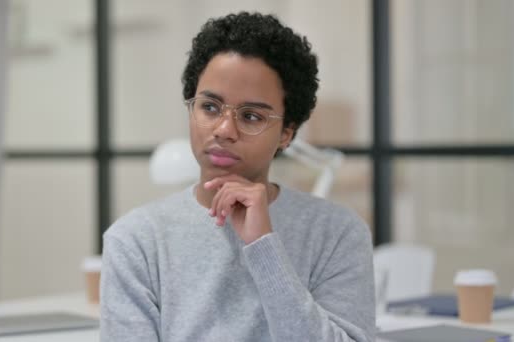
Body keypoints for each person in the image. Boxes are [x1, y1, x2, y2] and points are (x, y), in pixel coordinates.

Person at [100, 12, 375, 342]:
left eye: (250, 116)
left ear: (287, 134)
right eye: (210, 107)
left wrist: (263, 247)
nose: (224, 130)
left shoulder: (337, 233)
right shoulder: (135, 241)